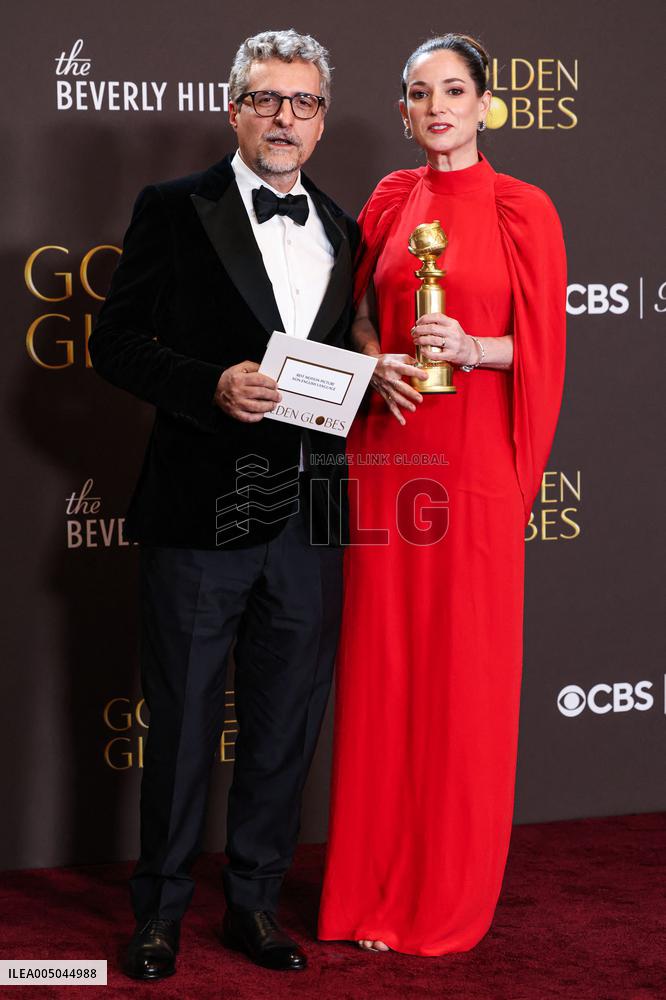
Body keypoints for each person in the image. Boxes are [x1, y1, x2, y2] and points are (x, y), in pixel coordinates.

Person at [89, 29, 359, 978]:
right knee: (182, 720)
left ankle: (254, 904)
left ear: (322, 120)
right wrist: (207, 384)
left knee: (285, 724)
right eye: (267, 100)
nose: (286, 118)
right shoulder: (173, 207)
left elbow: (344, 359)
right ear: (234, 108)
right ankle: (159, 913)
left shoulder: (345, 227)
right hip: (200, 511)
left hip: (310, 516)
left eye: (304, 102)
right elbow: (115, 344)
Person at [318, 33, 566, 955]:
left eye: (454, 90)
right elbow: (357, 315)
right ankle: (369, 890)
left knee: (463, 677)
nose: (437, 108)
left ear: (486, 103)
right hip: (390, 460)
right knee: (383, 674)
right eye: (420, 94)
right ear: (403, 110)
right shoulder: (389, 201)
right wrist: (376, 359)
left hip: (475, 466)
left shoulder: (522, 208)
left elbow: (543, 345)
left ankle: (444, 897)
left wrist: (472, 348)